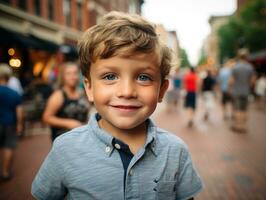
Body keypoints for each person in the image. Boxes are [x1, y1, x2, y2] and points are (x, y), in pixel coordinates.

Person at [31, 11, 203, 200]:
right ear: (89, 88)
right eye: (110, 76)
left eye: (143, 77)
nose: (127, 91)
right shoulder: (65, 149)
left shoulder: (175, 151)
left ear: (161, 90)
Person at [42, 62, 90, 142]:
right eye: (68, 74)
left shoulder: (81, 92)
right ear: (63, 76)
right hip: (64, 139)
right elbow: (46, 118)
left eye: (75, 73)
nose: (73, 77)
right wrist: (69, 123)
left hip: (81, 138)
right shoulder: (58, 96)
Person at [0, 64, 23, 181]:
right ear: (8, 77)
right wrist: (19, 125)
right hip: (10, 123)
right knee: (9, 146)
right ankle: (5, 172)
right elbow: (19, 111)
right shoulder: (14, 93)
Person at [230, 49, 256, 132]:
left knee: (237, 109)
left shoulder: (235, 67)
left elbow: (231, 81)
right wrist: (248, 86)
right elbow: (253, 81)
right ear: (246, 57)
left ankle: (238, 126)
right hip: (246, 91)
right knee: (244, 109)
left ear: (238, 56)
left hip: (237, 91)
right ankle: (244, 126)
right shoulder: (250, 67)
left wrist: (230, 88)